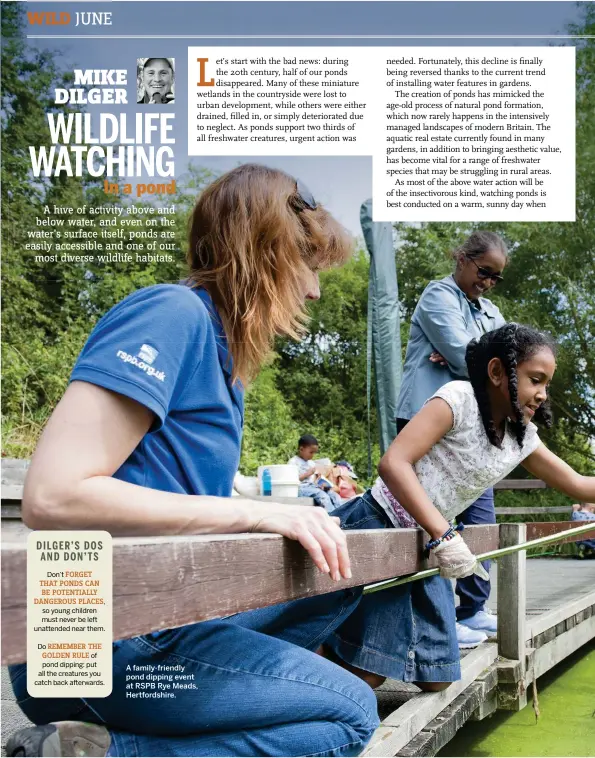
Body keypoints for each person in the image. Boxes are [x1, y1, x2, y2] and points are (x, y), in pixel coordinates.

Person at [7, 165, 380, 758]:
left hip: (161, 609)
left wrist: (261, 507)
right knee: (352, 714)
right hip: (87, 636)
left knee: (338, 577)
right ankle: (102, 751)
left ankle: (151, 727)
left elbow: (163, 486)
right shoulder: (172, 313)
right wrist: (256, 517)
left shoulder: (222, 353)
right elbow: (52, 496)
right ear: (267, 252)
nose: (314, 289)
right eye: (309, 264)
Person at [323, 323, 595, 691]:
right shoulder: (457, 399)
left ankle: (336, 636)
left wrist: (438, 535)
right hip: (382, 525)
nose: (543, 394)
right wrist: (443, 532)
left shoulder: (522, 437)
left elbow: (578, 484)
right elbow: (393, 463)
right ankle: (318, 647)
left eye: (546, 384)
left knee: (436, 677)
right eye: (535, 380)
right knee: (369, 673)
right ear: (497, 371)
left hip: (426, 547)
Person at [395, 231, 508, 647]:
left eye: (496, 278)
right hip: (426, 417)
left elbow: (506, 365)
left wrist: (475, 357)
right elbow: (469, 356)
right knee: (432, 516)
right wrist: (474, 358)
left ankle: (472, 609)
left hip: (471, 425)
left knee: (481, 515)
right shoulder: (436, 297)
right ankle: (436, 620)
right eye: (484, 272)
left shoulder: (490, 309)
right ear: (462, 259)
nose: (489, 283)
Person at [288, 434, 342, 513]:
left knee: (334, 495)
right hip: (300, 488)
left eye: (314, 453)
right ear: (301, 449)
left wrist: (321, 482)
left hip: (312, 487)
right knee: (323, 496)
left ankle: (341, 515)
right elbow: (292, 480)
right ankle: (331, 517)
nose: (313, 455)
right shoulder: (293, 462)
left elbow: (313, 480)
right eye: (311, 452)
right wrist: (307, 474)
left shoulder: (311, 463)